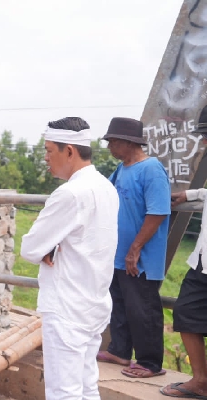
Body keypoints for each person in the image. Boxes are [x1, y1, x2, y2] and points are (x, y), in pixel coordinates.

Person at [20, 117, 119, 399]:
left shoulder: (70, 193)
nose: (45, 158)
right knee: (87, 386)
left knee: (64, 392)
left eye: (49, 150)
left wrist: (48, 247)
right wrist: (52, 245)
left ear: (70, 151)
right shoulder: (106, 187)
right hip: (94, 302)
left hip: (67, 306)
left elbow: (29, 248)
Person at [95, 117, 171, 379]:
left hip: (140, 257)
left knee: (143, 309)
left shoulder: (151, 170)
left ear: (129, 142)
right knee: (119, 304)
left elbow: (158, 212)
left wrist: (135, 248)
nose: (110, 147)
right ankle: (120, 350)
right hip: (118, 254)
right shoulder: (122, 168)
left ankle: (150, 362)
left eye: (113, 142)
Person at [161, 108, 207, 399]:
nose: (203, 143)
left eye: (206, 136)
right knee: (187, 312)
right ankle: (201, 381)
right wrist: (190, 195)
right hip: (203, 260)